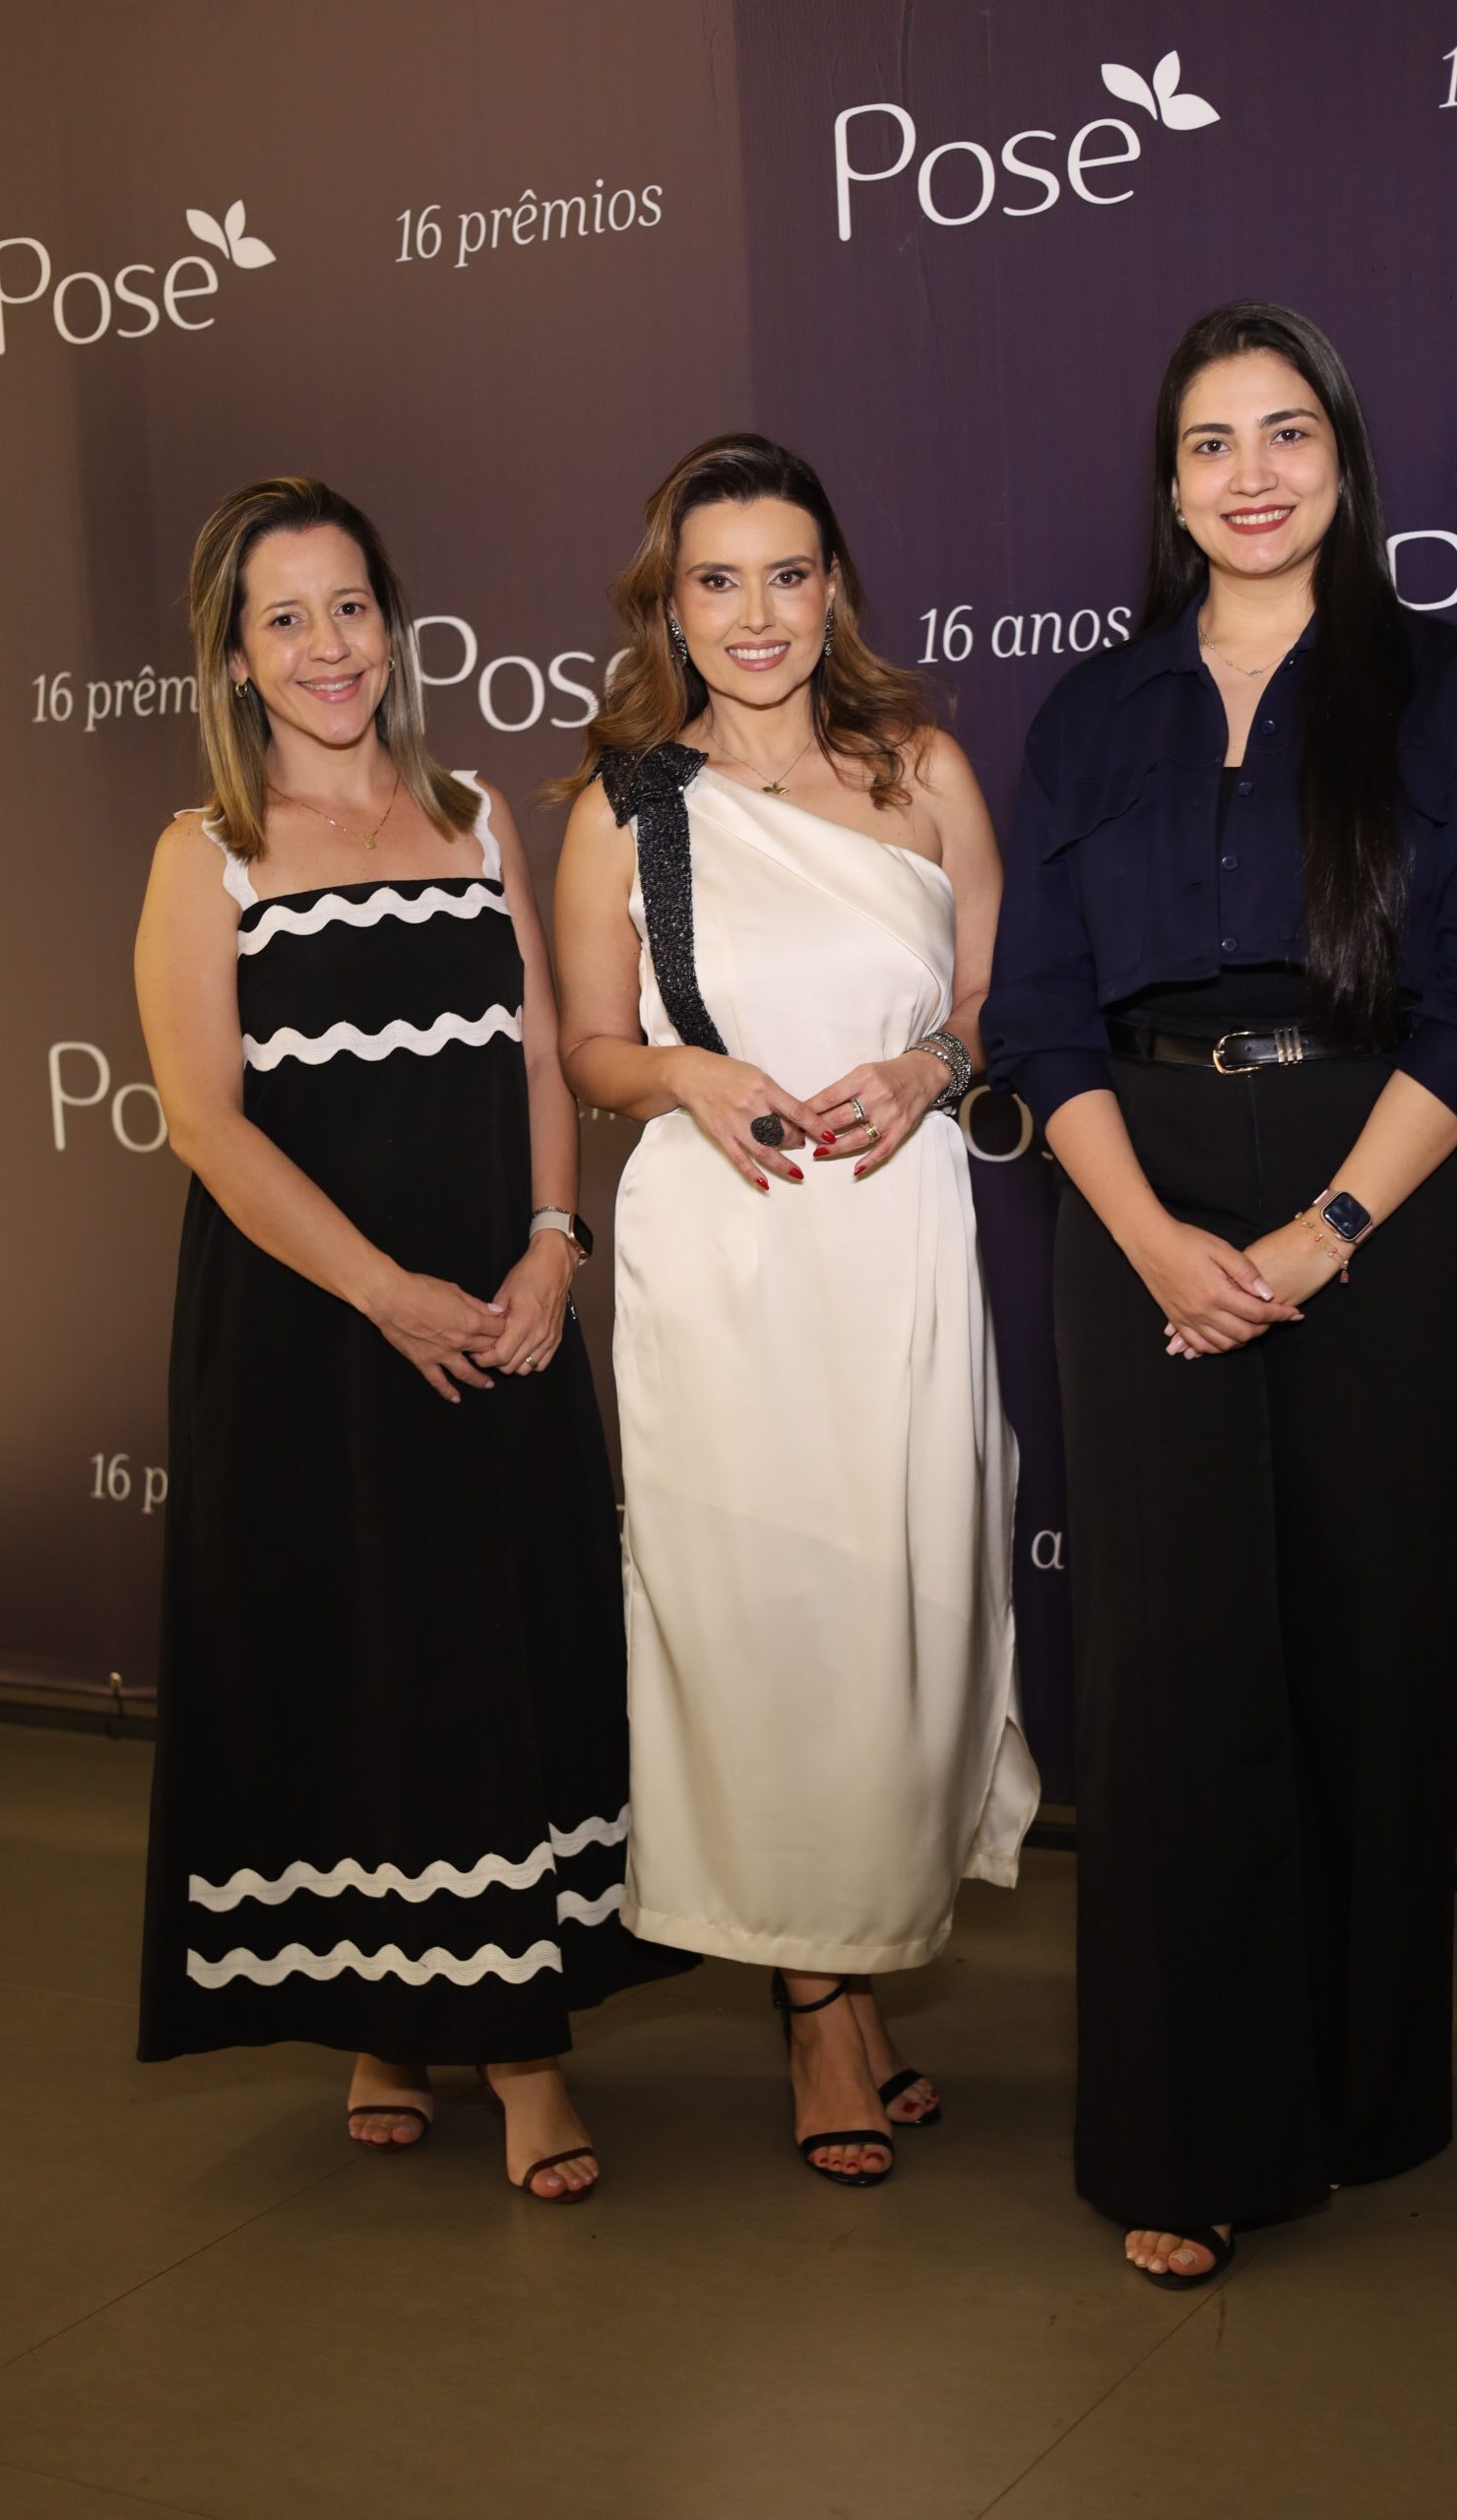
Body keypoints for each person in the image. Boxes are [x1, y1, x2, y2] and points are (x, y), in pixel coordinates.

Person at [982, 304, 1457, 2283]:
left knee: (1367, 1651)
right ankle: (1192, 2131)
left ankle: (1360, 2087)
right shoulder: (1090, 716)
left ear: (1339, 458)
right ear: (1167, 486)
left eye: (1286, 432)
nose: (1251, 473)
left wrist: (1322, 1231)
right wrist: (1151, 1236)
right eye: (1211, 442)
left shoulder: (1456, 695)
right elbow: (1036, 1012)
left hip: (1383, 1196)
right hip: (1136, 1195)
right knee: (1166, 1677)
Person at [136, 476, 689, 2201]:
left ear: (393, 623)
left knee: (493, 1657)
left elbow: (538, 1058)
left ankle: (522, 2048)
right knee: (362, 1663)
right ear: (235, 657)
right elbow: (207, 1125)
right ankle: (395, 2015)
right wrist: (383, 1292)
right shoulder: (203, 853)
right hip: (312, 1335)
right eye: (285, 618)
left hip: (501, 1312)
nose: (329, 648)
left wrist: (553, 1247)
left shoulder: (470, 815)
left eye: (352, 607)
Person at [551, 434, 1038, 2187]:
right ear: (668, 606)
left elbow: (996, 1001)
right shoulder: (625, 804)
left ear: (833, 588)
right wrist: (685, 1072)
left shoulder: (920, 769)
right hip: (729, 1258)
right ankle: (817, 2013)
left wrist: (927, 1070)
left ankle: (857, 1961)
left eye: (786, 574)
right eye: (717, 581)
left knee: (900, 1616)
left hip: (899, 1238)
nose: (754, 614)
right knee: (769, 1627)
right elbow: (589, 1049)